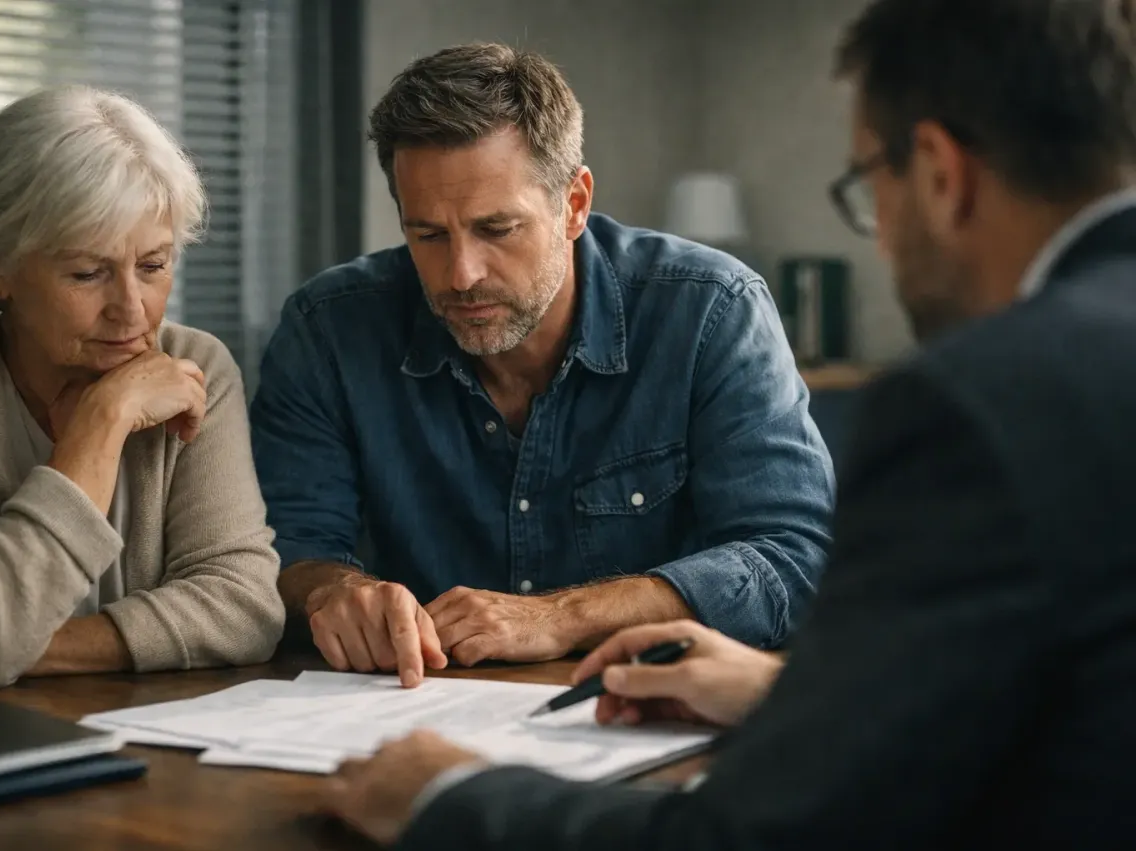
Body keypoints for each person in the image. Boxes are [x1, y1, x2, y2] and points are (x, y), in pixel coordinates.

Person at [320, 0, 1136, 849]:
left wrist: (447, 794)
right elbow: (1057, 695)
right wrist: (778, 691)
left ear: (938, 172)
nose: (883, 235)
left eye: (868, 187)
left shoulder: (978, 402)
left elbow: (750, 839)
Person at [250, 44, 834, 688]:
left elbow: (794, 560)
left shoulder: (711, 311)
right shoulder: (328, 328)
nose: (461, 274)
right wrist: (335, 593)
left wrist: (561, 616)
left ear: (574, 204)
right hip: (411, 717)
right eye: (429, 235)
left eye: (496, 229)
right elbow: (286, 552)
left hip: (646, 713)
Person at [0, 85, 286, 689]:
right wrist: (102, 422)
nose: (132, 312)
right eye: (88, 273)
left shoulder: (196, 366)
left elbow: (244, 610)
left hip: (145, 747)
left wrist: (25, 650)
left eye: (154, 265)